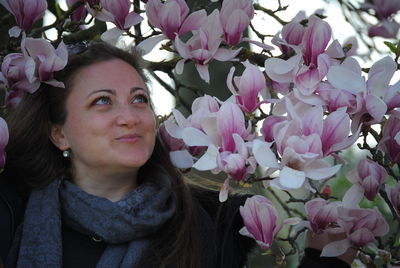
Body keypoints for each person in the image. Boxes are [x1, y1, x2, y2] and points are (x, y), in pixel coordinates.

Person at [0, 41, 355, 268]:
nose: (131, 117)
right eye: (102, 101)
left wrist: (325, 262)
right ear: (59, 133)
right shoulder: (11, 213)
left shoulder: (212, 227)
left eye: (139, 99)